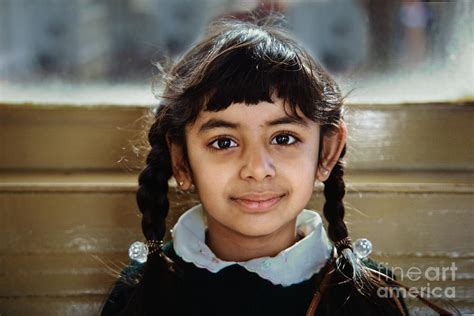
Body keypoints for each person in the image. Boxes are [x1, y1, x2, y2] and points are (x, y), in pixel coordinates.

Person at [101, 18, 449, 316]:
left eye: (283, 138)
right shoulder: (141, 293)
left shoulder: (366, 294)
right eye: (224, 142)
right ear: (181, 160)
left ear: (326, 152)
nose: (257, 168)